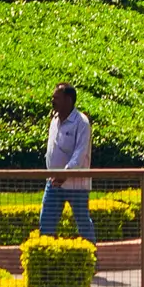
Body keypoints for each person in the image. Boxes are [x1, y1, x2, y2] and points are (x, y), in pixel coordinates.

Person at [41, 81, 94, 234]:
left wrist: (66, 173)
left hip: (76, 185)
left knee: (83, 224)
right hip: (53, 184)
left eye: (56, 98)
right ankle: (45, 256)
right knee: (46, 224)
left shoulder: (82, 123)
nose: (53, 101)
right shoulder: (54, 120)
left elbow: (80, 153)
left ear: (68, 100)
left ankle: (91, 256)